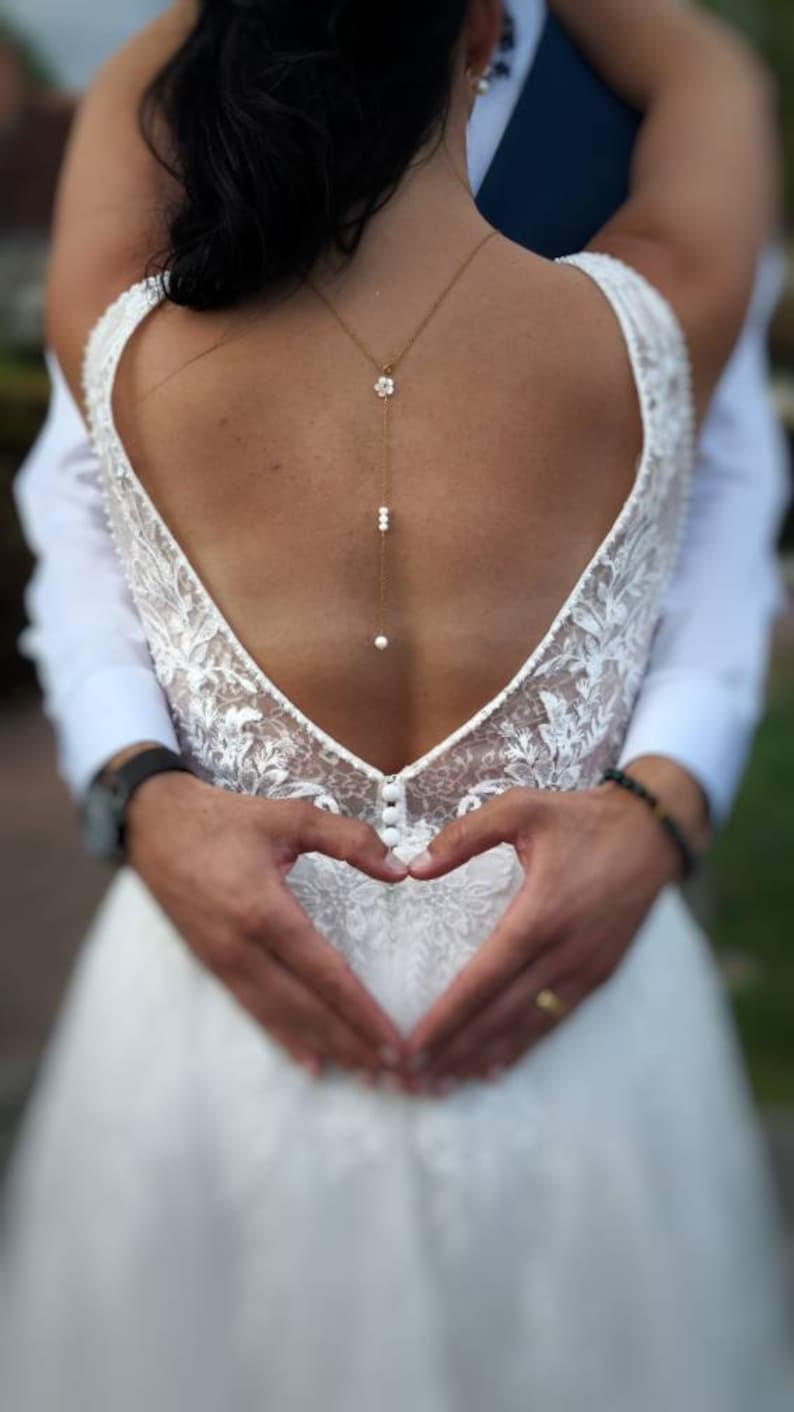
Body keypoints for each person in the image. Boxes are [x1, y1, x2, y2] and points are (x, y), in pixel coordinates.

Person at [3, 1, 792, 1409]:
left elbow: (148, 82)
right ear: (482, 33)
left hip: (218, 1035)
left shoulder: (113, 336)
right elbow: (701, 74)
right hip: (571, 1023)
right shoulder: (655, 314)